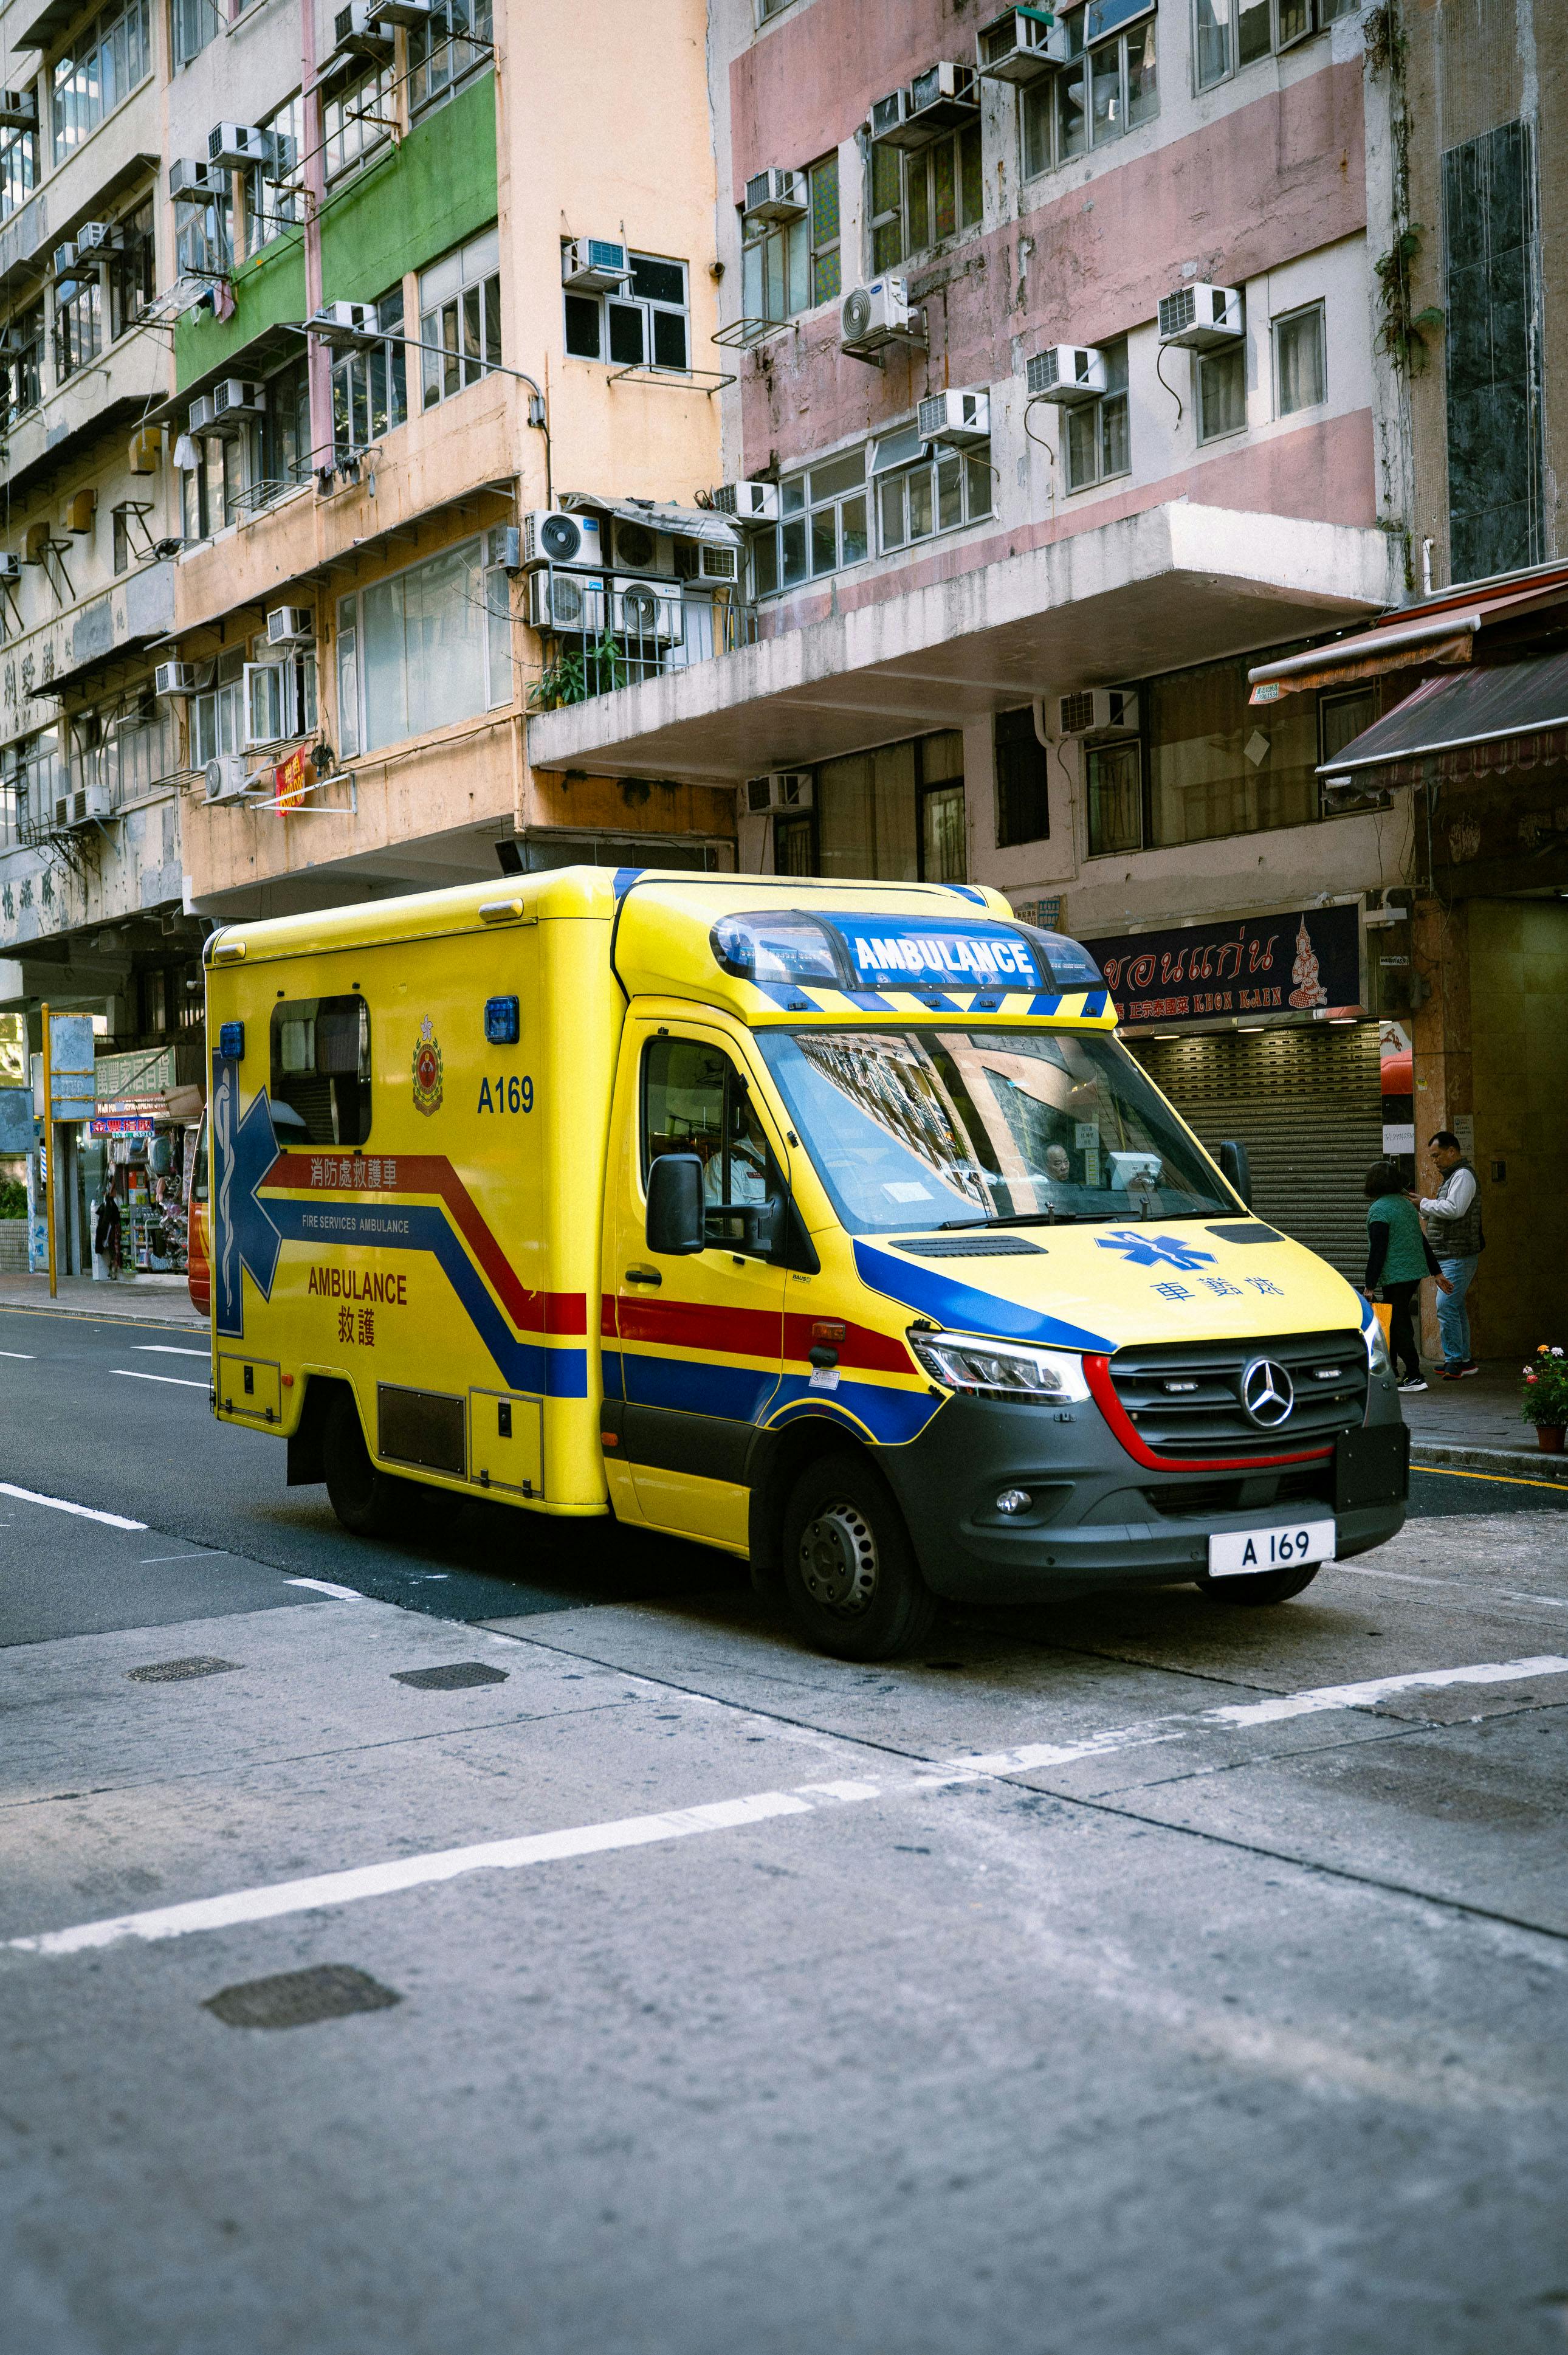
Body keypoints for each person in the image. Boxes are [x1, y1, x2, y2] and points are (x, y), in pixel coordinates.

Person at [1363, 1160, 1447, 1393]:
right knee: (1395, 1320)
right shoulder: (1406, 1205)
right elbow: (1422, 1240)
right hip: (1412, 1273)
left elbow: (1378, 1250)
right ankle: (1393, 1371)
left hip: (1395, 1275)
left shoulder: (1379, 1209)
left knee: (1397, 1322)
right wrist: (1436, 1272)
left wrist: (1369, 1286)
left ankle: (1414, 1374)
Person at [1415, 1129, 1484, 1380]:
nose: (1434, 1161)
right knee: (1455, 1306)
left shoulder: (1463, 1176)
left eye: (1437, 1155)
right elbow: (1445, 1209)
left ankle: (1455, 1360)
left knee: (1445, 1306)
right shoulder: (1453, 1176)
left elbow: (1455, 1209)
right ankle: (1464, 1360)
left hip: (1458, 1253)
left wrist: (1423, 1203)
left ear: (1452, 1151)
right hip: (1450, 1252)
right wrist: (1423, 1207)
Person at [93, 1185, 122, 1281]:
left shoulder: (108, 1206)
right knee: (113, 1252)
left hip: (109, 1234)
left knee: (112, 1252)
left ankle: (112, 1271)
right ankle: (112, 1271)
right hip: (111, 1233)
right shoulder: (110, 1206)